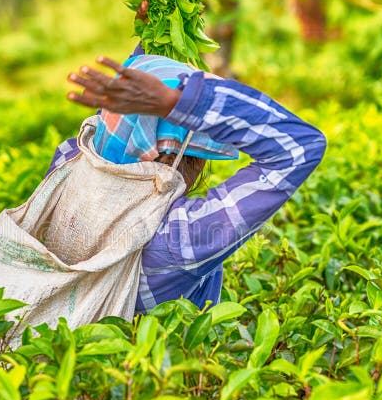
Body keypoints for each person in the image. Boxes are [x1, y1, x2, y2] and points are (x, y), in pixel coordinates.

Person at [52, 36, 327, 315]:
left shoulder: (67, 162)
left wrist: (154, 34)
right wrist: (179, 103)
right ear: (176, 158)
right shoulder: (178, 238)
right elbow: (302, 147)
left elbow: (119, 125)